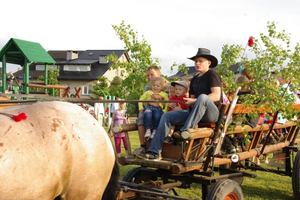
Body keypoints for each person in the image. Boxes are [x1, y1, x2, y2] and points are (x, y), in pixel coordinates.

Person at [137, 48, 222, 160]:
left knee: (202, 97)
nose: (197, 63)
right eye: (196, 61)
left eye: (200, 61)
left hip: (211, 113)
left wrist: (194, 101)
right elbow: (190, 100)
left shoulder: (212, 75)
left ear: (208, 63)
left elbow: (216, 95)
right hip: (194, 113)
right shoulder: (195, 78)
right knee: (167, 116)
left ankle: (185, 131)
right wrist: (179, 107)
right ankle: (154, 151)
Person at [133, 66, 169, 156]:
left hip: (161, 108)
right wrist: (146, 105)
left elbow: (168, 100)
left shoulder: (166, 85)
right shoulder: (147, 87)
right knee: (141, 117)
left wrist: (160, 101)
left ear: (158, 74)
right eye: (148, 75)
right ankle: (143, 145)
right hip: (149, 108)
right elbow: (144, 100)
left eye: (151, 74)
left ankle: (160, 146)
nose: (149, 77)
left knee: (161, 117)